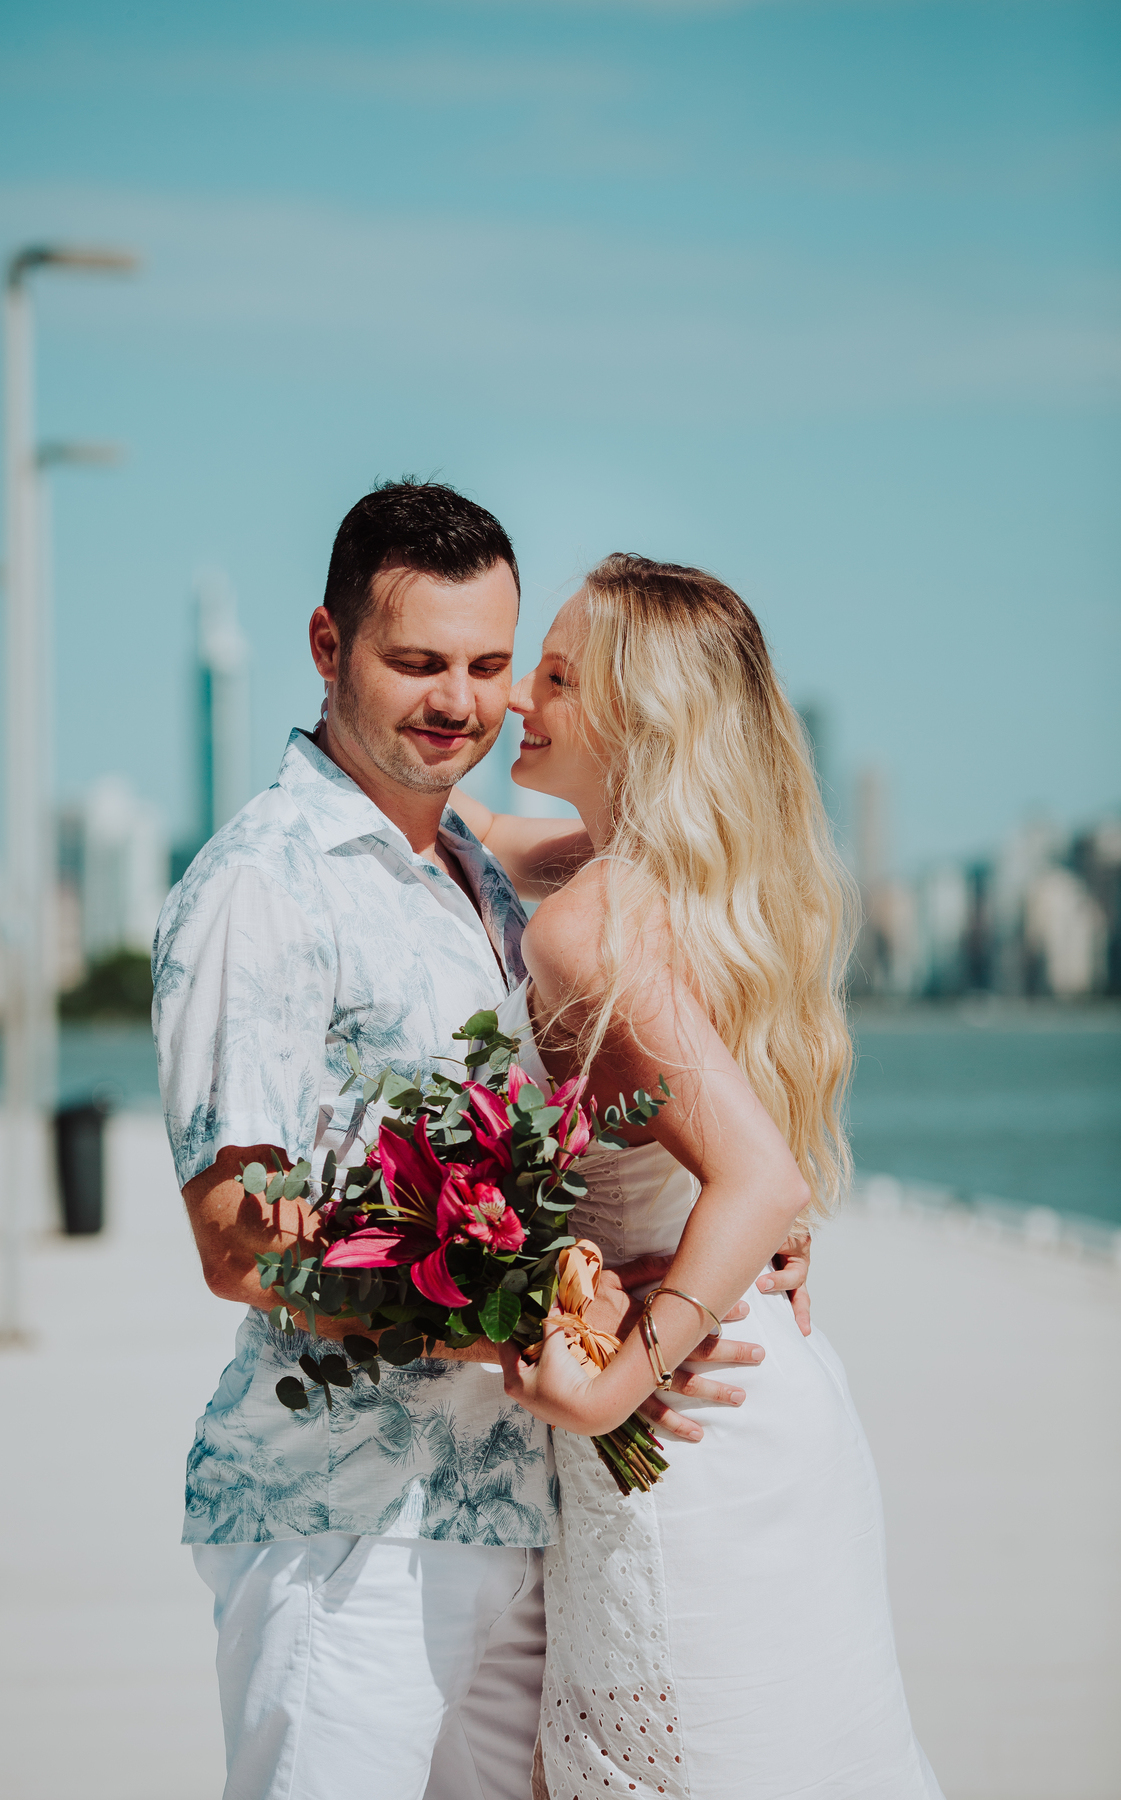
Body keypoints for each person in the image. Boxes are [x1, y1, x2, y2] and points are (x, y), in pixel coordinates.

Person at [153, 486, 807, 1800]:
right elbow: (239, 1245)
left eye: (487, 664)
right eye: (416, 662)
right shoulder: (262, 888)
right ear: (329, 647)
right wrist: (550, 1322)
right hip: (345, 1526)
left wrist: (730, 1228)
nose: (459, 701)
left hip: (516, 1518)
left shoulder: (477, 869)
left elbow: (682, 848)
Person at [481, 554, 945, 1799]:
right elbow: (466, 830)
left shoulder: (586, 921)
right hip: (768, 1392)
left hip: (687, 1423)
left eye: (556, 677)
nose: (518, 695)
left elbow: (762, 1180)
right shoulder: (687, 882)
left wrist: (617, 1381)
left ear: (640, 720)